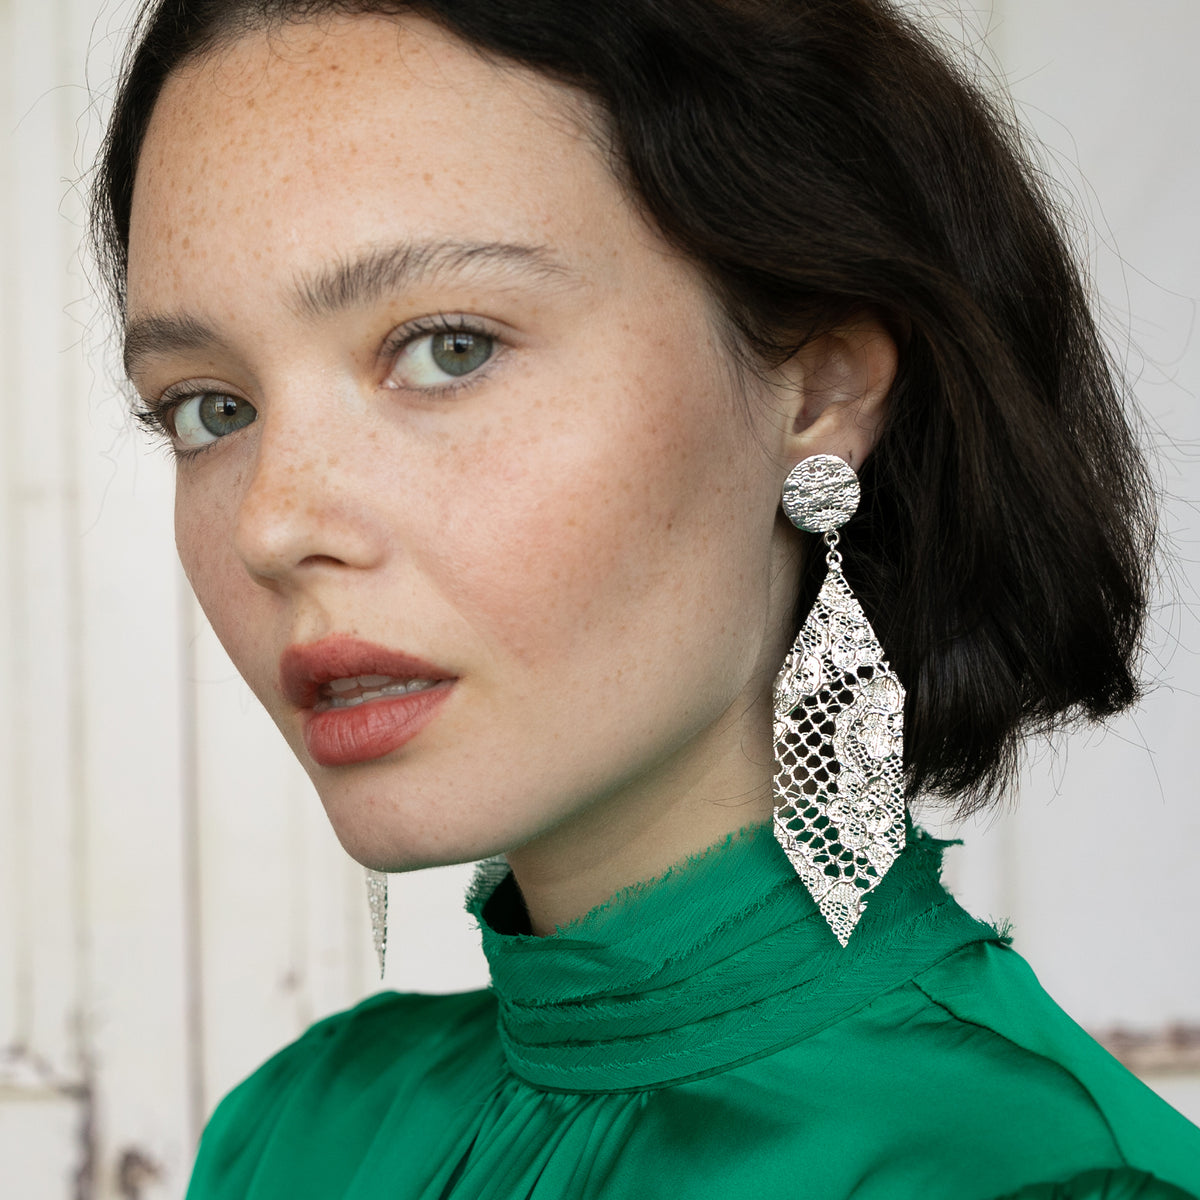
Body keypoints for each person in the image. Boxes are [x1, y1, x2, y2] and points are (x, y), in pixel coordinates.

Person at [91, 0, 1200, 1196]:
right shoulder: (293, 1136)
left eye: (447, 348)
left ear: (819, 389)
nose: (272, 525)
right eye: (210, 408)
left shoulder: (1037, 1181)